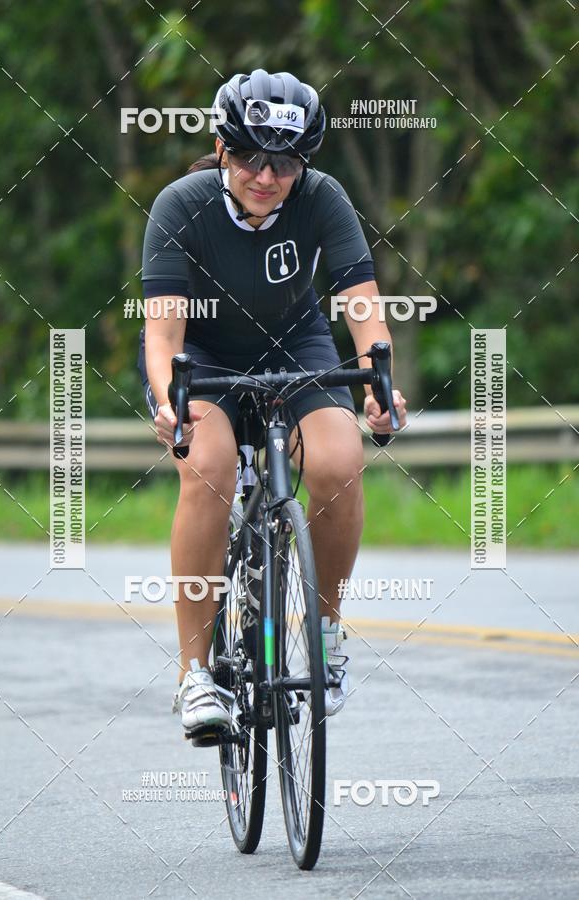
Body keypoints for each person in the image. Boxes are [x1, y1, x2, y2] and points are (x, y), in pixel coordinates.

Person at [137, 68, 407, 741]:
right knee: (210, 464)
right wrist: (174, 400)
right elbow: (163, 332)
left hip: (296, 348)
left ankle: (324, 634)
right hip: (203, 359)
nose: (266, 176)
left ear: (303, 164)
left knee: (340, 461)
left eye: (284, 162)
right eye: (251, 157)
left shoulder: (324, 200)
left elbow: (363, 311)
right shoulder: (178, 205)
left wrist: (378, 382)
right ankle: (195, 675)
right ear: (224, 150)